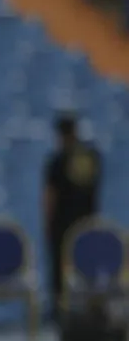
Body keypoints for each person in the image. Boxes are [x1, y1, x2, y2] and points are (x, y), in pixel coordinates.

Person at [44, 112, 103, 312]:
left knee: (60, 271)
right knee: (89, 270)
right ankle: (90, 311)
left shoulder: (57, 161)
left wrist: (47, 224)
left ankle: (61, 311)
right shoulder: (92, 158)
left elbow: (50, 197)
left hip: (62, 225)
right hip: (88, 224)